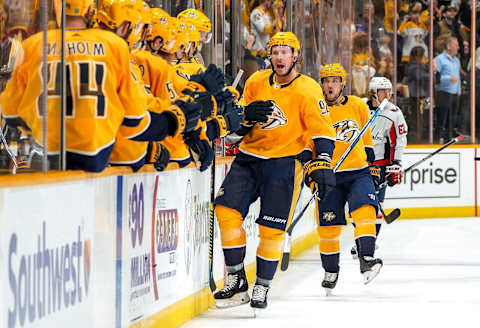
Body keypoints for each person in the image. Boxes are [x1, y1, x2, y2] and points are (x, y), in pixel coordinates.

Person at [213, 32, 336, 309]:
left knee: (271, 229)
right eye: (275, 52)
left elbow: (321, 130)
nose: (279, 57)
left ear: (295, 57)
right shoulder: (256, 81)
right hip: (249, 158)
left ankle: (262, 286)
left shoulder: (308, 89)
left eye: (285, 52)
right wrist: (246, 117)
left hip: (285, 163)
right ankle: (236, 279)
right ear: (269, 55)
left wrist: (323, 161)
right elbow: (239, 127)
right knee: (225, 211)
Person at [0, 0, 198, 172]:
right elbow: (134, 119)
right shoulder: (114, 47)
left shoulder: (33, 45)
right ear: (89, 12)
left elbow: (10, 113)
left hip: (42, 156)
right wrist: (173, 121)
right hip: (93, 160)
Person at [311, 63, 383, 295]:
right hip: (328, 175)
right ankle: (330, 270)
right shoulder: (315, 108)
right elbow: (307, 141)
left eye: (334, 80)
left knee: (365, 210)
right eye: (325, 81)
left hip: (357, 171)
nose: (329, 85)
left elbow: (366, 136)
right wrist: (310, 168)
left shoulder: (356, 105)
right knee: (328, 227)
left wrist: (371, 165)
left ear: (343, 84)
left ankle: (367, 258)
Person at [350, 76, 408, 259]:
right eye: (383, 91)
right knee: (358, 205)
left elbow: (400, 140)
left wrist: (396, 164)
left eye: (389, 91)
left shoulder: (394, 112)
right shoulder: (359, 107)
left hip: (381, 165)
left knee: (377, 205)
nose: (388, 95)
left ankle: (369, 241)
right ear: (373, 92)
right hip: (359, 162)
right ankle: (361, 239)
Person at [434, 35, 460, 143]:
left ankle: (449, 138)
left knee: (452, 117)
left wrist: (459, 90)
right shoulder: (439, 59)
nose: (458, 47)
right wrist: (449, 78)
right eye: (456, 45)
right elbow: (436, 77)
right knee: (442, 117)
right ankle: (437, 138)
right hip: (443, 92)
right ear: (449, 46)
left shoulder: (457, 60)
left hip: (454, 93)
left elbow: (458, 76)